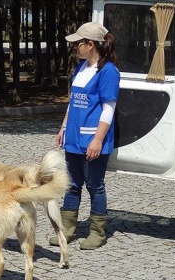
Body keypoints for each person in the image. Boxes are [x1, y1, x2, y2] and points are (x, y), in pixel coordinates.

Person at [51, 21, 120, 250]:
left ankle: (97, 232)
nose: (75, 48)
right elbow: (73, 103)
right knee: (71, 184)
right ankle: (67, 230)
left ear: (90, 44)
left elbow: (108, 108)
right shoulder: (81, 67)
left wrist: (98, 139)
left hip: (92, 139)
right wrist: (63, 128)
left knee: (94, 185)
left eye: (78, 44)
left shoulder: (108, 71)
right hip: (74, 137)